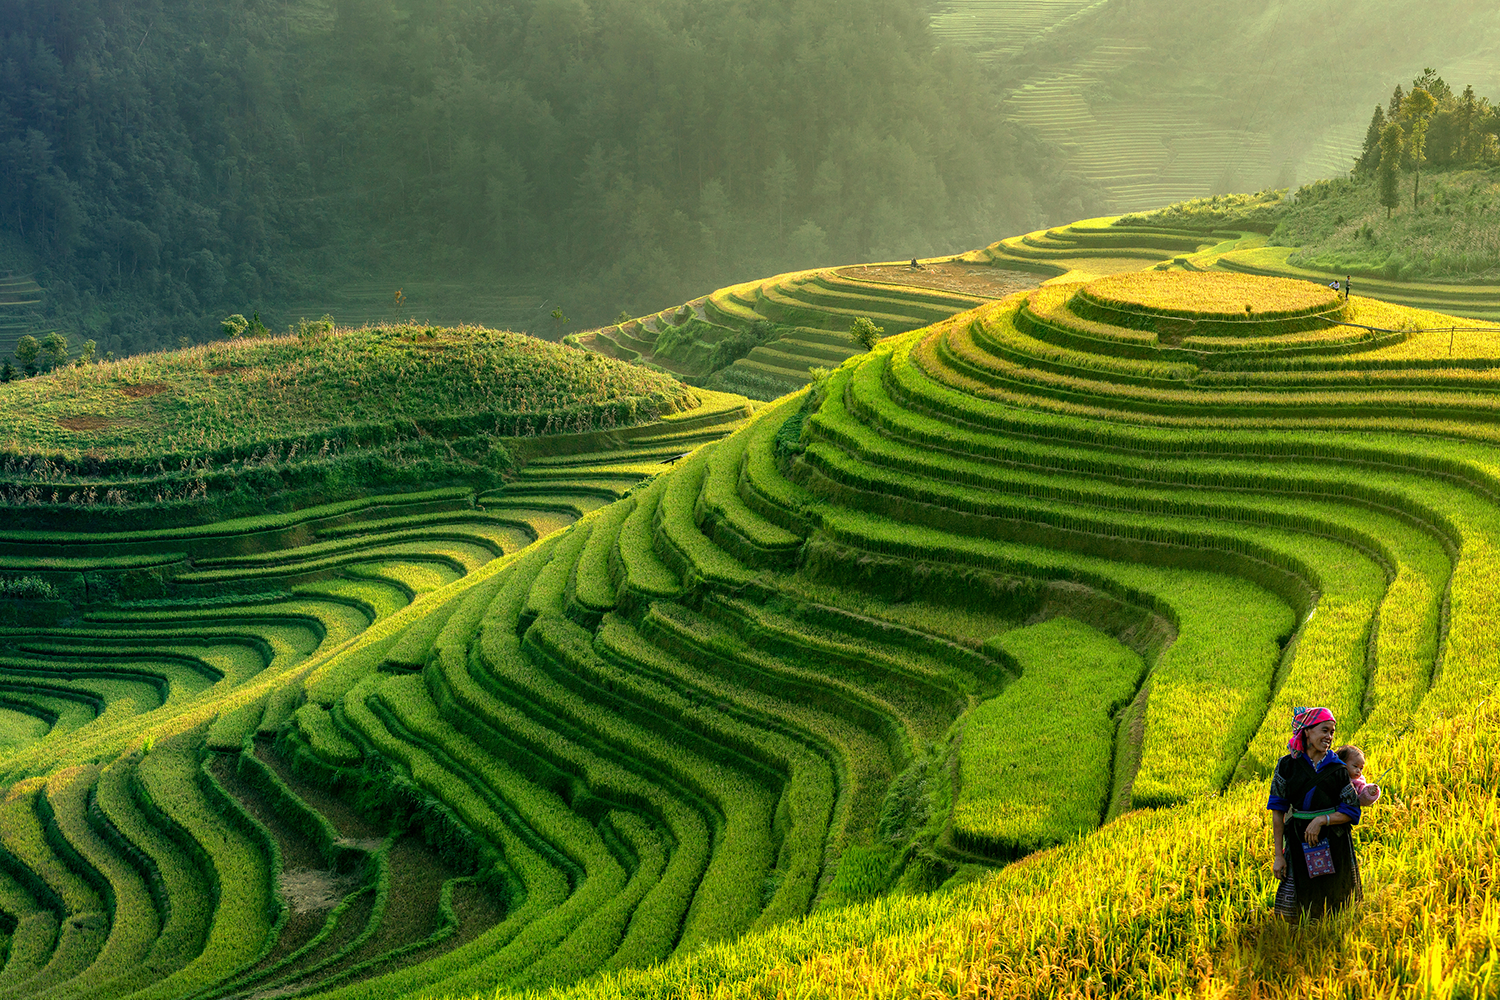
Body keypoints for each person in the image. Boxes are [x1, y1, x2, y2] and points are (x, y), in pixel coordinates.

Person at [1267, 706, 1363, 919]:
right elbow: (1277, 812)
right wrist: (1278, 856)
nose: (1329, 737)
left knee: (1337, 903)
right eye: (1324, 730)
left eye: (1332, 732)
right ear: (1307, 731)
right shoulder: (1286, 766)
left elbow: (1352, 811)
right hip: (1298, 841)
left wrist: (1323, 820)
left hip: (1335, 840)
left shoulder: (1337, 769)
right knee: (1296, 909)